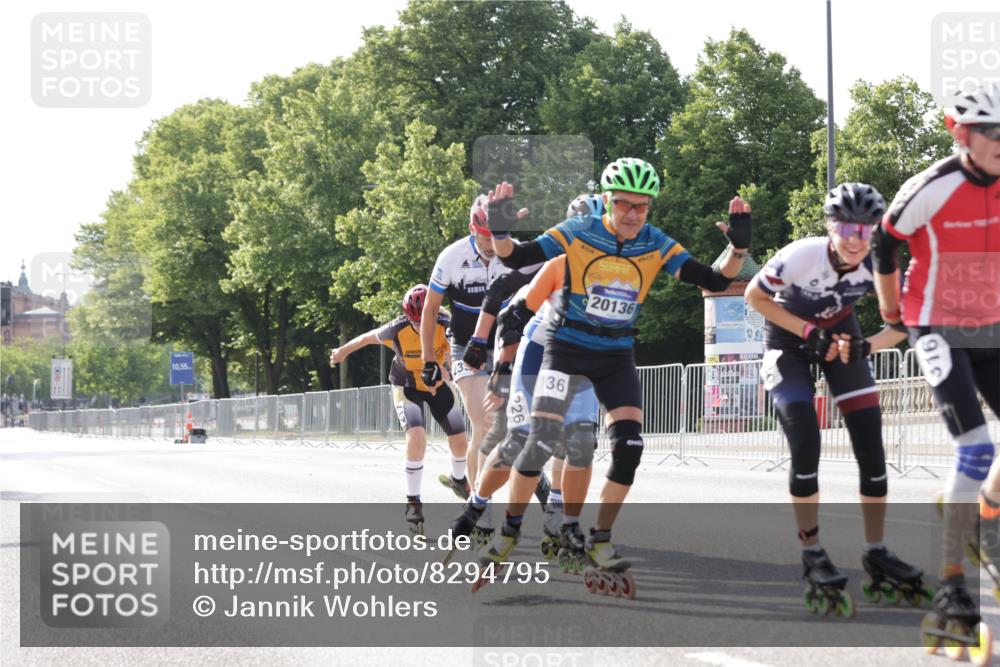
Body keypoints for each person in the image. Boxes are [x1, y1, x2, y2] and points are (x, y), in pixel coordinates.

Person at [480, 157, 750, 594]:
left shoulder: (654, 242)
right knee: (542, 440)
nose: (632, 215)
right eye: (624, 204)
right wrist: (500, 229)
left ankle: (600, 538)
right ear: (607, 201)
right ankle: (509, 529)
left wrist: (738, 250)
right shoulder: (579, 232)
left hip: (615, 355)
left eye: (642, 207)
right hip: (566, 349)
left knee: (629, 448)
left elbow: (715, 281)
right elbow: (517, 258)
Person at [745, 182, 927, 616]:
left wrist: (869, 347)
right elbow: (755, 296)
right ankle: (811, 550)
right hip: (788, 342)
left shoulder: (881, 266)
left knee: (871, 446)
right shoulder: (801, 254)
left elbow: (904, 323)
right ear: (829, 226)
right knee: (806, 441)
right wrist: (809, 332)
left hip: (844, 339)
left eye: (865, 230)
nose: (854, 239)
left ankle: (876, 549)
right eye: (845, 227)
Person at [873, 82, 1000, 653]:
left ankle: (984, 517)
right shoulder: (932, 186)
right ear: (961, 134)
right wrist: (890, 311)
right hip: (935, 324)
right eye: (990, 132)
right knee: (975, 449)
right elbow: (884, 243)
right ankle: (952, 588)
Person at [330, 284, 469, 534]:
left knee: (460, 439)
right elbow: (366, 338)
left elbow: (458, 353)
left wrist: (449, 368)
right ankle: (413, 501)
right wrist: (342, 352)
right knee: (416, 437)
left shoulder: (447, 324)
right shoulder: (396, 328)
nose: (418, 326)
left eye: (423, 319)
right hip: (407, 386)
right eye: (414, 321)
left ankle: (459, 479)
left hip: (437, 384)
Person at [420, 195, 529, 495]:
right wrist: (429, 359)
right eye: (485, 236)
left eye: (497, 235)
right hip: (466, 347)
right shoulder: (452, 257)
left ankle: (511, 484)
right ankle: (481, 507)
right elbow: (430, 309)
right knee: (484, 421)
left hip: (506, 346)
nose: (492, 243)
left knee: (512, 424)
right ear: (472, 228)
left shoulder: (513, 252)